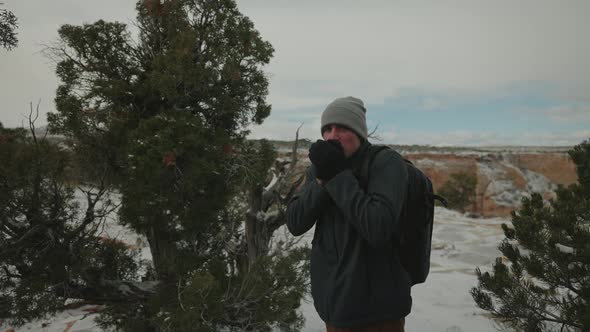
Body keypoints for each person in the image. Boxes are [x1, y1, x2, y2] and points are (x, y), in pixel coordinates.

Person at [287, 96, 410, 332]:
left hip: (377, 312)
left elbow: (378, 227)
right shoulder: (321, 168)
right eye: (327, 129)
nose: (333, 136)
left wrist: (337, 177)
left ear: (359, 132)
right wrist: (322, 179)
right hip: (333, 305)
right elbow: (295, 223)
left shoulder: (386, 163)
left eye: (342, 128)